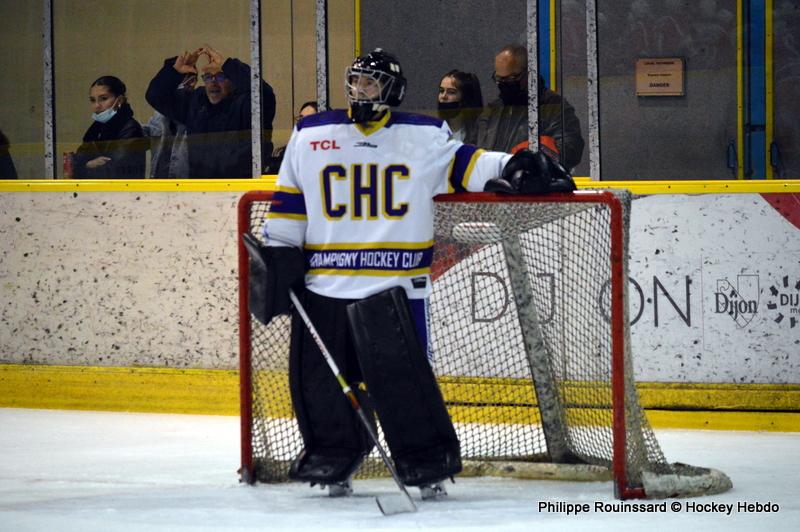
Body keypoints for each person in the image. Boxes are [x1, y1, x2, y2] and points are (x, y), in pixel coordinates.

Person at [251, 49, 574, 500]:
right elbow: (290, 202)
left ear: (394, 90)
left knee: (405, 384)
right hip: (324, 284)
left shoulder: (423, 135)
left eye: (371, 82)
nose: (361, 89)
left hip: (397, 287)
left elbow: (469, 163)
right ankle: (334, 458)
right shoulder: (311, 134)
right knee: (323, 383)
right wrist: (280, 253)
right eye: (357, 81)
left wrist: (513, 165)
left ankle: (426, 464)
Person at [145, 45, 275, 178]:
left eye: (220, 77)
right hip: (202, 187)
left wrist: (228, 65)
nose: (213, 83)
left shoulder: (244, 104)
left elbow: (265, 95)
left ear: (232, 81)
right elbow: (155, 96)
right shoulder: (196, 103)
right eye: (208, 77)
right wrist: (174, 71)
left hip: (241, 185)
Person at [475, 44, 585, 171]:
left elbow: (571, 148)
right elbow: (476, 148)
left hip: (531, 180)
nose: (503, 84)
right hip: (494, 178)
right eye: (498, 79)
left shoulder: (553, 107)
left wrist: (534, 153)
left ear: (528, 74)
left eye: (510, 79)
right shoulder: (492, 111)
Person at [73, 76, 146, 179]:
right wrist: (88, 165)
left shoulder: (130, 128)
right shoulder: (95, 129)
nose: (97, 105)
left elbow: (115, 170)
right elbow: (75, 164)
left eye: (103, 99)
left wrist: (85, 166)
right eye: (93, 100)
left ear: (119, 100)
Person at [141, 73, 196, 178]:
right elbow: (146, 135)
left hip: (186, 184)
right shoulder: (159, 114)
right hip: (159, 182)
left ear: (191, 82)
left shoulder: (197, 112)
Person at [264, 101, 318, 174]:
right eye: (301, 119)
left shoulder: (328, 150)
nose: (302, 123)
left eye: (309, 119)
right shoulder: (287, 152)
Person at [436, 70, 483, 143]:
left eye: (451, 92)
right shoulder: (434, 129)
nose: (443, 96)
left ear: (466, 97)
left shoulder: (482, 131)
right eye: (441, 91)